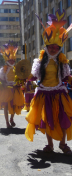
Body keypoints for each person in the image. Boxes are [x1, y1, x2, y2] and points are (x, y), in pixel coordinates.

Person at [25, 10, 72, 154]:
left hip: (59, 92)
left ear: (59, 48)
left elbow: (65, 77)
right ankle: (50, 145)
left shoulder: (62, 60)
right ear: (47, 47)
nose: (53, 49)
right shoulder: (40, 61)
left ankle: (63, 144)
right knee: (47, 120)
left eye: (56, 47)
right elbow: (33, 76)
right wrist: (25, 76)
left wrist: (70, 79)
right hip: (44, 93)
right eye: (51, 47)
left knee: (63, 119)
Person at [0, 41, 24, 128]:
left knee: (14, 105)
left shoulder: (16, 68)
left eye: (13, 60)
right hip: (6, 90)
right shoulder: (4, 69)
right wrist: (3, 83)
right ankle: (7, 122)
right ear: (7, 60)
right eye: (10, 60)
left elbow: (20, 77)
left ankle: (11, 118)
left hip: (15, 89)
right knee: (6, 106)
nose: (12, 61)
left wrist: (20, 82)